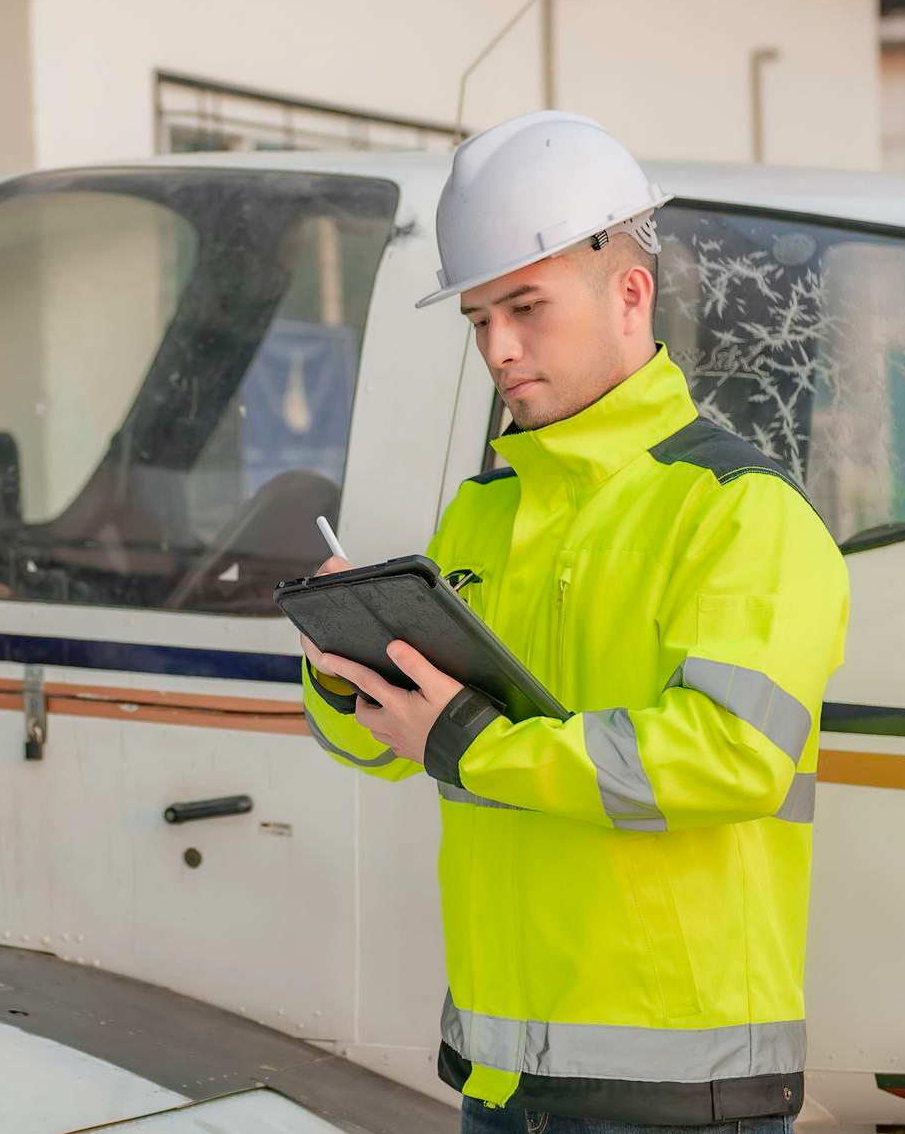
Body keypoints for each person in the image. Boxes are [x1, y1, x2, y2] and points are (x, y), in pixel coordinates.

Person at [299, 111, 849, 1133]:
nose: (497, 348)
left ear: (629, 293)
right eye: (478, 319)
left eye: (525, 307)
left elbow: (730, 755)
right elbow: (390, 748)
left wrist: (470, 742)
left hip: (679, 1099)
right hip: (502, 1084)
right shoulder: (483, 512)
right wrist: (346, 669)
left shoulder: (739, 511)